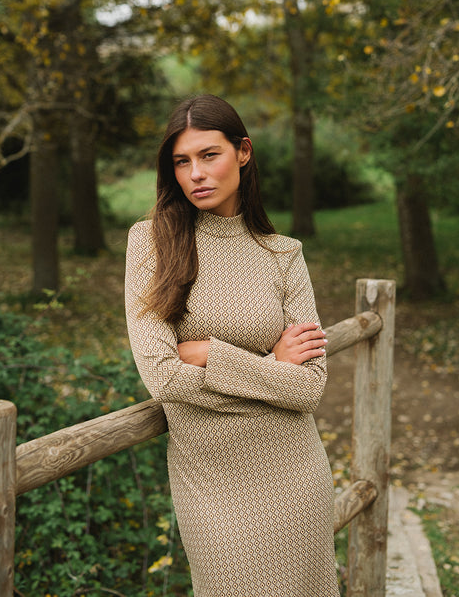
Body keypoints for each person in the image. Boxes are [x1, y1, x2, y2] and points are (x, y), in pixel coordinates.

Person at [125, 94, 340, 597]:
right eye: (182, 161)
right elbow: (161, 376)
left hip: (294, 480)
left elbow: (310, 388)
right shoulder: (150, 243)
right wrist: (271, 368)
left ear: (242, 152)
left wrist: (209, 355)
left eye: (209, 155)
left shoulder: (283, 254)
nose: (196, 173)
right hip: (212, 490)